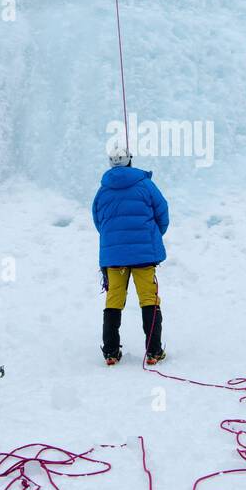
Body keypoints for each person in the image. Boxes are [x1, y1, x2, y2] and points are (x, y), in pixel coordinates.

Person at [92, 142, 169, 366]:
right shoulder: (146, 185)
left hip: (114, 257)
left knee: (114, 299)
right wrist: (152, 236)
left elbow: (99, 221)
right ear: (130, 160)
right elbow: (162, 212)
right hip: (144, 254)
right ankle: (154, 351)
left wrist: (115, 242)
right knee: (148, 299)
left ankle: (111, 352)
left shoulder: (103, 190)